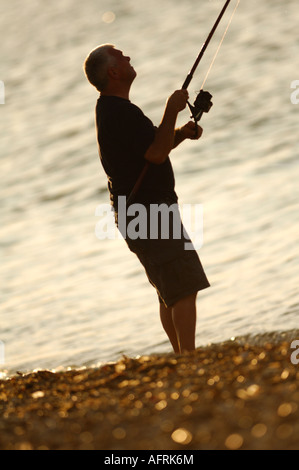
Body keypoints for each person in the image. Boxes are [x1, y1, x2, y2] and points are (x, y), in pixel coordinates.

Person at [84, 44, 210, 354]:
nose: (128, 57)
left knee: (168, 290)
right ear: (114, 72)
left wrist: (180, 132)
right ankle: (188, 359)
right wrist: (171, 109)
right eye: (121, 56)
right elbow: (155, 153)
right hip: (148, 212)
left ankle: (182, 356)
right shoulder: (118, 111)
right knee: (183, 286)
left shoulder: (113, 110)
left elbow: (154, 145)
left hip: (135, 212)